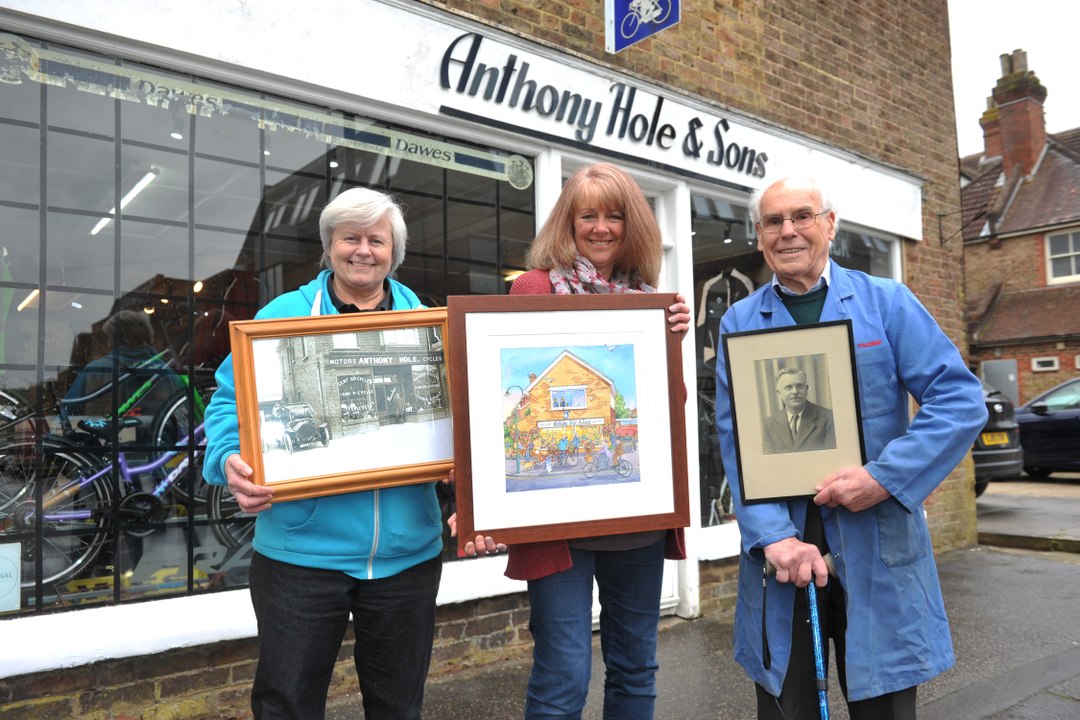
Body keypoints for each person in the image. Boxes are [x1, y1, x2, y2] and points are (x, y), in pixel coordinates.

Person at [714, 176, 988, 720]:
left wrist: (884, 478)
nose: (788, 231)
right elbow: (735, 442)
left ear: (830, 225)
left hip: (876, 540)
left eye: (802, 216)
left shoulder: (886, 303)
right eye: (773, 221)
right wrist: (773, 539)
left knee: (883, 707)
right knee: (787, 709)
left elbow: (959, 400)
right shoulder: (739, 323)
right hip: (786, 557)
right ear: (760, 236)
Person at [203, 187, 444, 720]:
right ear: (329, 246)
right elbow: (227, 405)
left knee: (399, 705)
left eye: (376, 240)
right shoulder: (280, 316)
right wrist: (228, 460)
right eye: (349, 238)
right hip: (301, 558)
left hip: (408, 555)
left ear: (393, 252)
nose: (363, 250)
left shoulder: (429, 324)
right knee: (286, 703)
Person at [470, 162, 691, 718]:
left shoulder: (649, 301)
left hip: (635, 520)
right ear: (566, 223)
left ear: (632, 225)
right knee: (563, 673)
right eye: (587, 215)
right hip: (556, 525)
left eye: (614, 215)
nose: (601, 228)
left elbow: (671, 409)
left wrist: (669, 347)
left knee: (636, 668)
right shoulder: (533, 287)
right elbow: (500, 397)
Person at [61, 309, 184, 433]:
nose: (108, 343)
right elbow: (182, 416)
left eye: (109, 337)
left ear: (119, 339)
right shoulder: (166, 373)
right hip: (161, 447)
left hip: (106, 447)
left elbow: (68, 412)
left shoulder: (96, 370)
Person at [761, 367, 836, 454]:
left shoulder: (828, 418)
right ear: (779, 393)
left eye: (799, 386)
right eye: (788, 387)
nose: (795, 391)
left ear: (806, 389)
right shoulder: (769, 424)